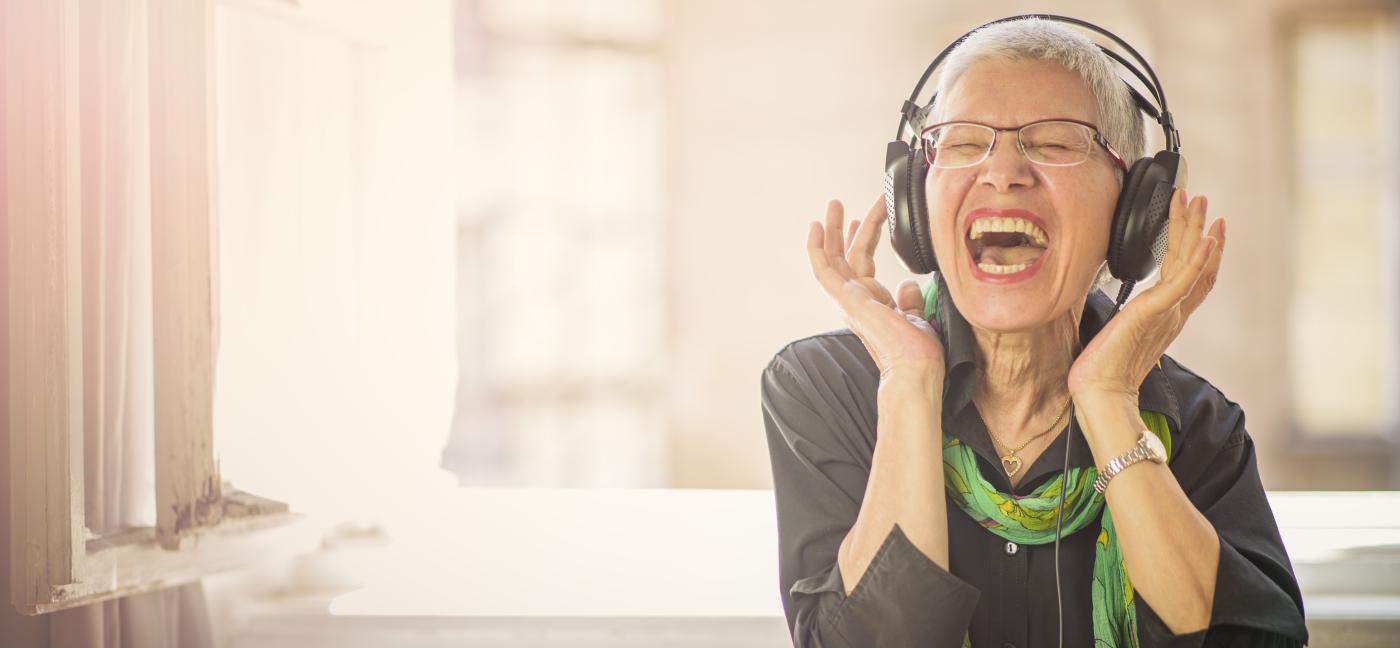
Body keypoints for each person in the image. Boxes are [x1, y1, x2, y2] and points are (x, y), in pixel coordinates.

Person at [760, 17, 1310, 648]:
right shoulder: (825, 389)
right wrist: (908, 386)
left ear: (1134, 212)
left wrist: (1107, 399)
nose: (1003, 172)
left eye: (1054, 143)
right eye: (963, 143)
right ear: (916, 199)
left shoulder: (1196, 426)